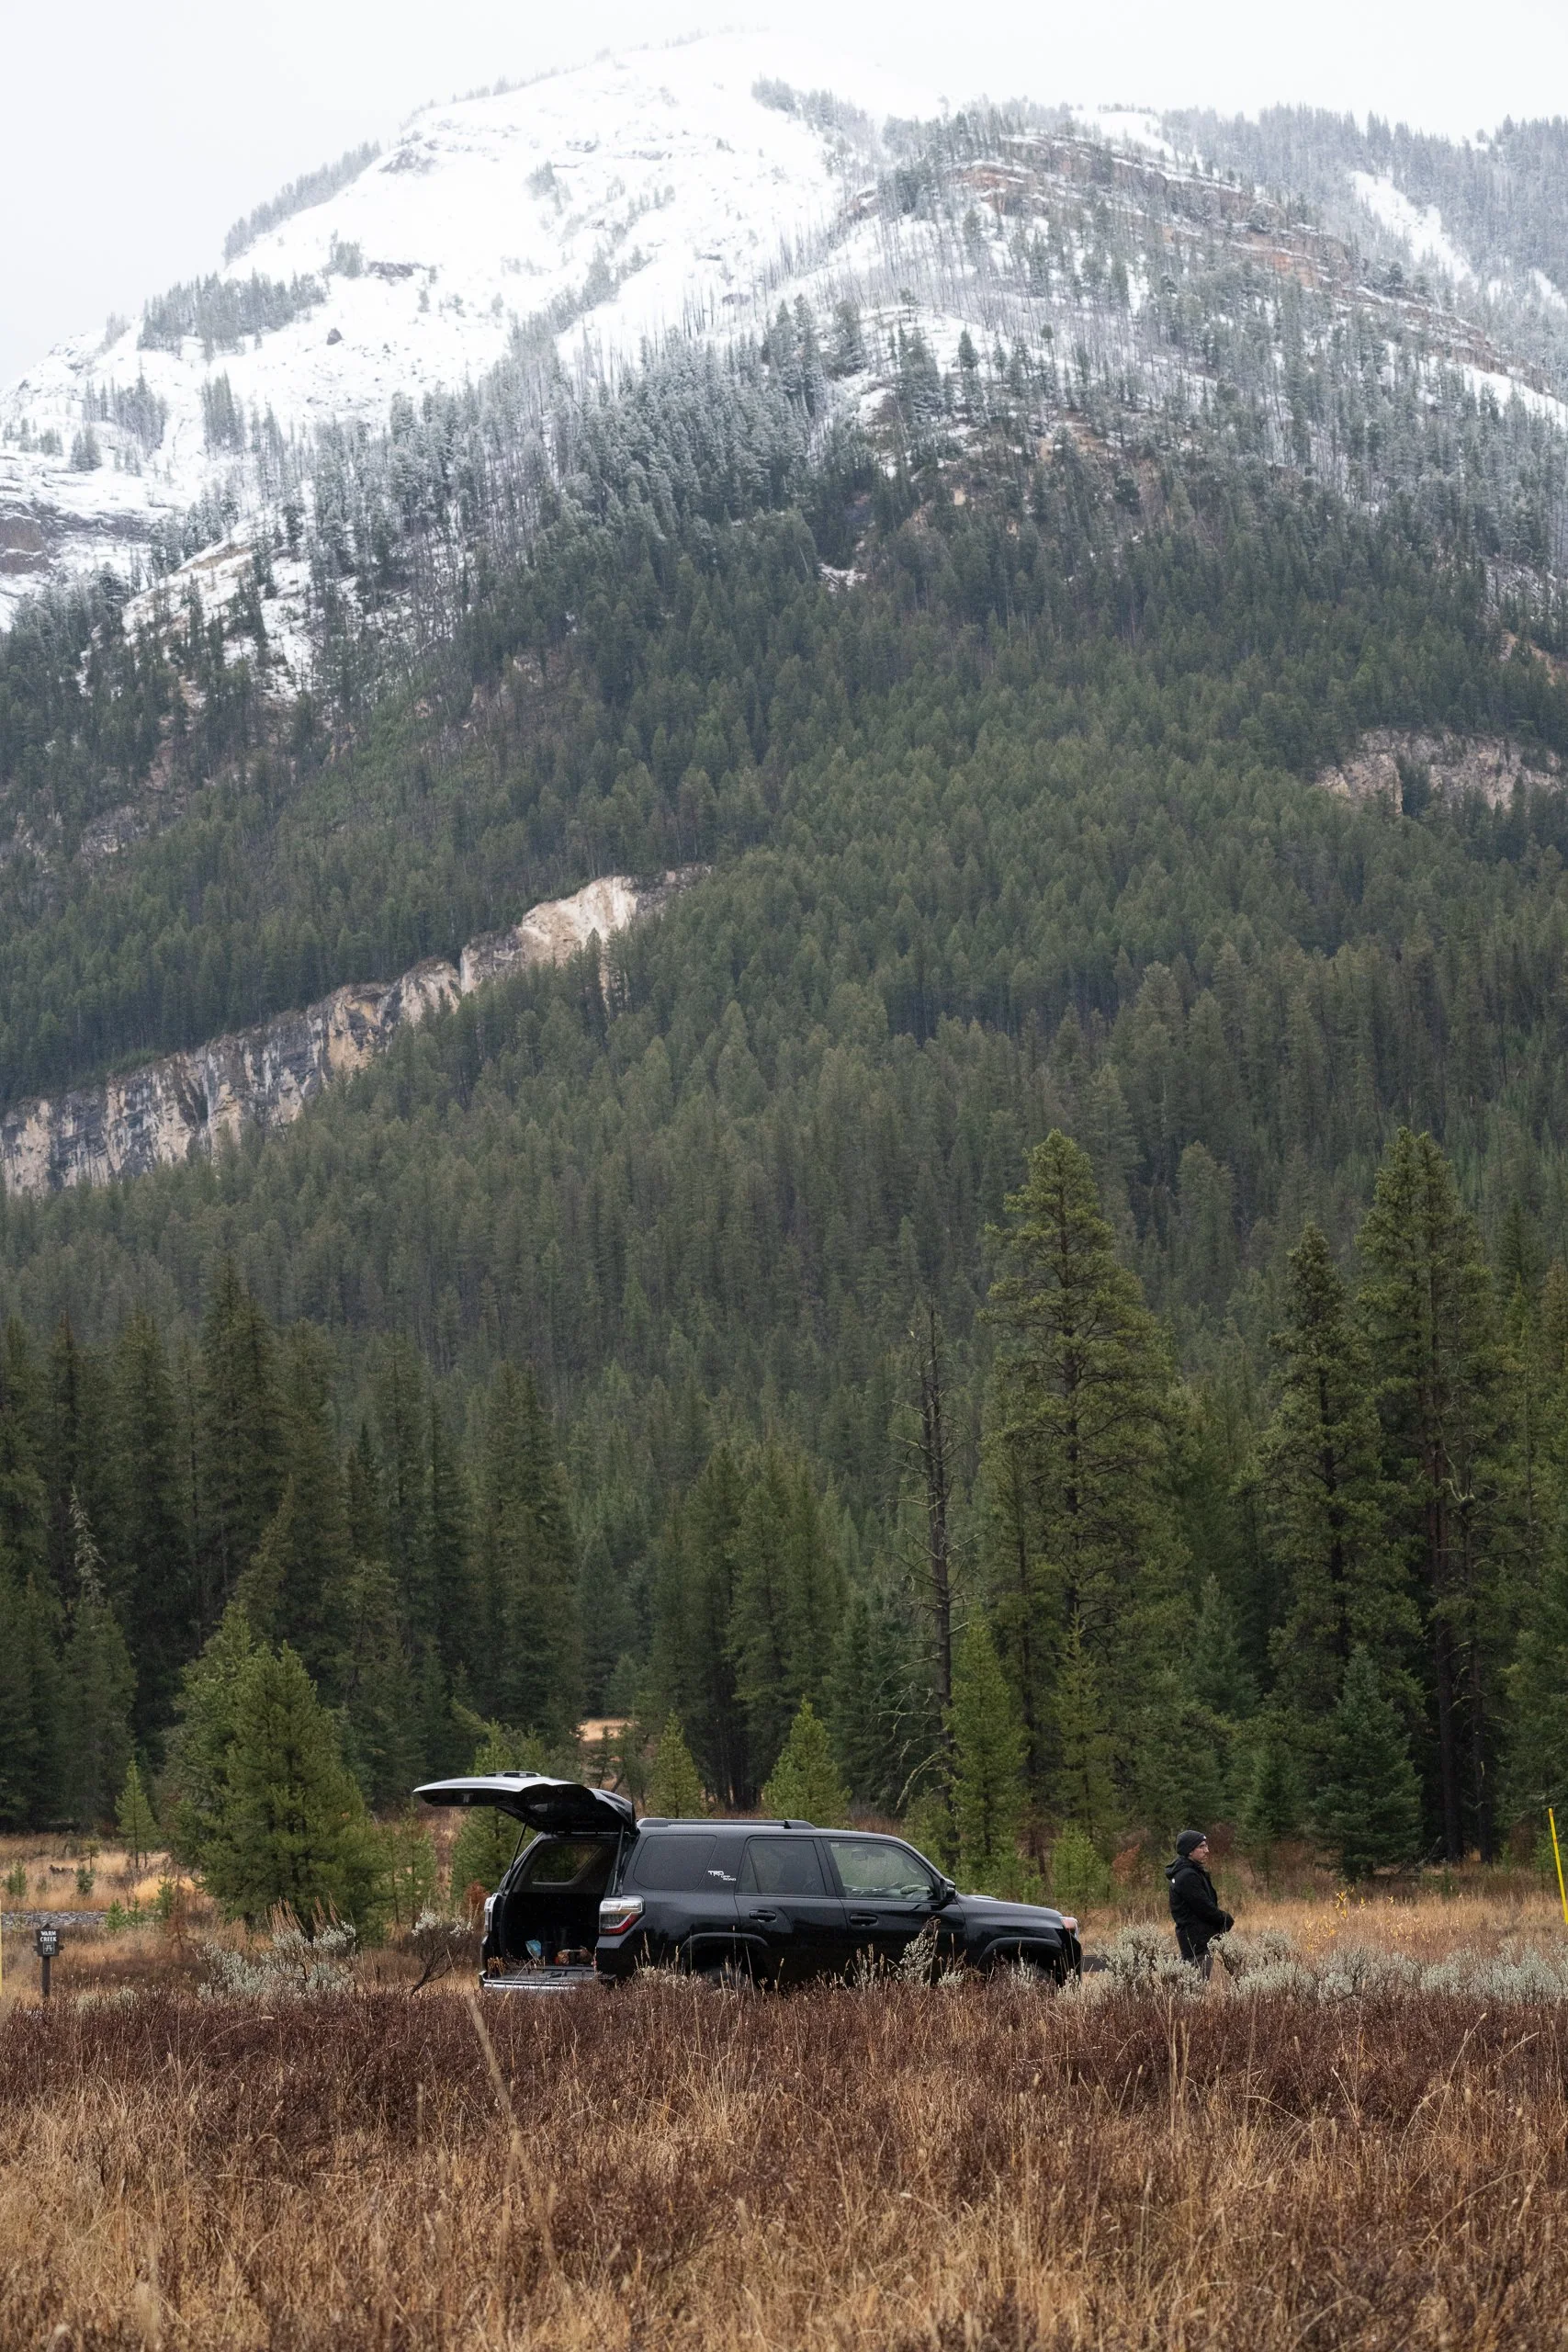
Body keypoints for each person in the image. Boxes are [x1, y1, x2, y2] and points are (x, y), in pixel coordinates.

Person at [1165, 1828, 1233, 1978]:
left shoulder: (1190, 1872)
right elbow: (1203, 1907)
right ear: (1189, 1850)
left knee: (1195, 1986)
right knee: (1195, 1988)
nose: (1206, 1850)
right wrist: (1224, 1919)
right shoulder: (1187, 1875)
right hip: (1196, 1940)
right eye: (1201, 1846)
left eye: (1206, 1846)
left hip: (1198, 1938)